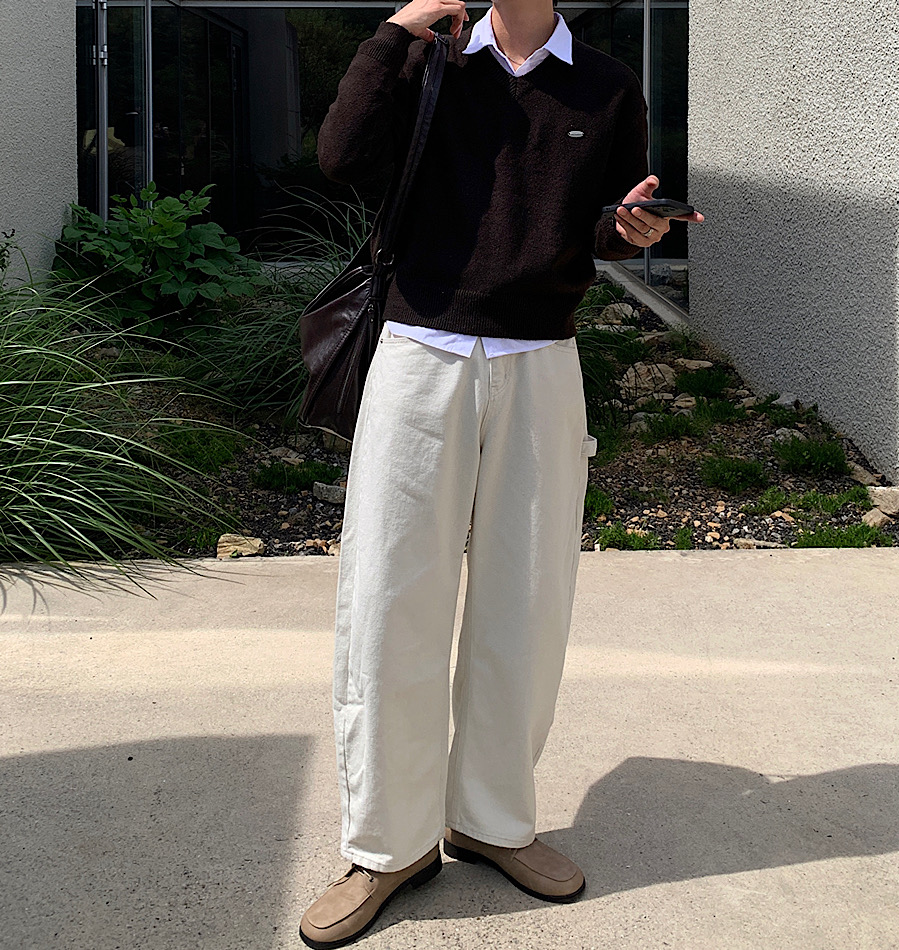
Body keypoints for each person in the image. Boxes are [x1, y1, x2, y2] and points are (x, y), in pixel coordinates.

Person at [299, 0, 703, 945]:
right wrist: (396, 31)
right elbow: (343, 158)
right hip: (417, 351)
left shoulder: (605, 84)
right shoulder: (429, 59)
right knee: (389, 600)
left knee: (526, 601)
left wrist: (633, 231)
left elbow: (602, 224)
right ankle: (387, 846)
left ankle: (489, 820)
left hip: (540, 359)